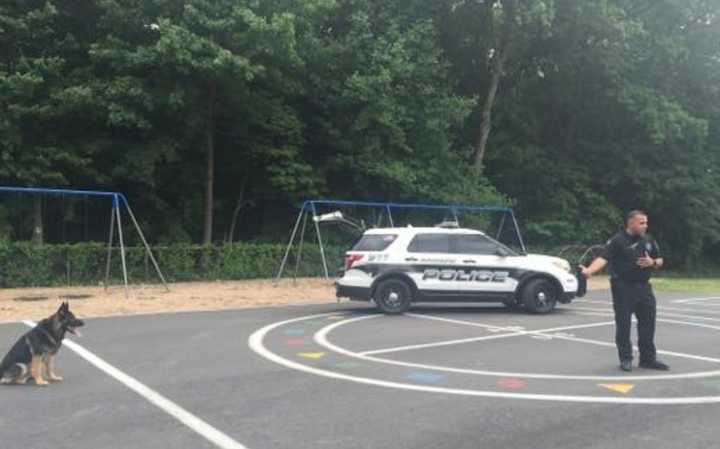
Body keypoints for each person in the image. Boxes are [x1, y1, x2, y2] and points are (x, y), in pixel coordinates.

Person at [581, 210, 669, 372]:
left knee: (648, 323)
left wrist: (653, 262)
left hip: (644, 287)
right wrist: (590, 271)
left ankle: (648, 359)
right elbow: (603, 258)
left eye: (646, 222)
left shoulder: (648, 240)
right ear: (631, 223)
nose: (645, 226)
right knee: (624, 324)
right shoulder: (617, 240)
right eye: (641, 223)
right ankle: (626, 358)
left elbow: (660, 260)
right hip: (623, 287)